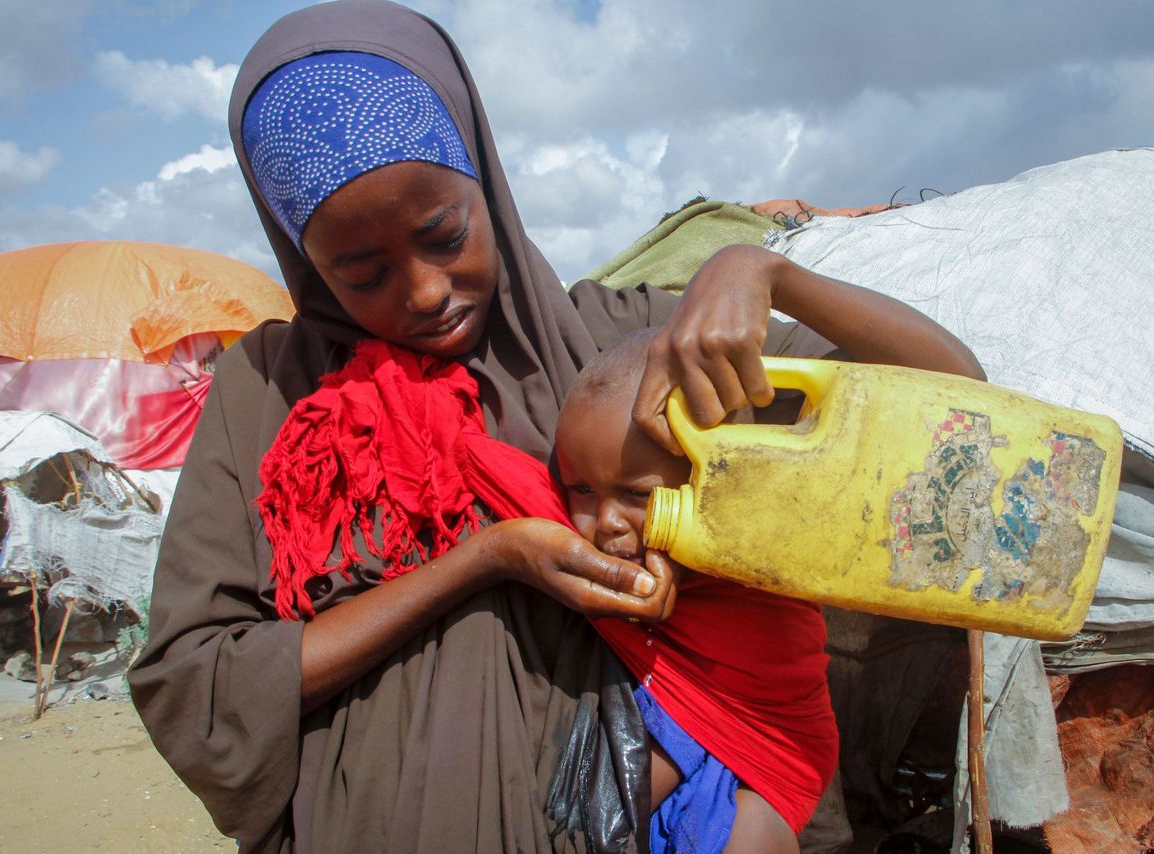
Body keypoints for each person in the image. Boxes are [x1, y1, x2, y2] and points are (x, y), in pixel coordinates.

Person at [128, 2, 984, 852]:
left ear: (486, 187)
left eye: (444, 234)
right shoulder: (268, 393)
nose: (424, 291)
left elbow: (952, 394)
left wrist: (765, 272)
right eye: (362, 272)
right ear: (304, 264)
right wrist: (484, 560)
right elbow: (197, 684)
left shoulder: (623, 346)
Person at [554, 329, 835, 854]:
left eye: (639, 494)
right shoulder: (573, 562)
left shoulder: (760, 578)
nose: (606, 524)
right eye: (582, 490)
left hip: (761, 769)